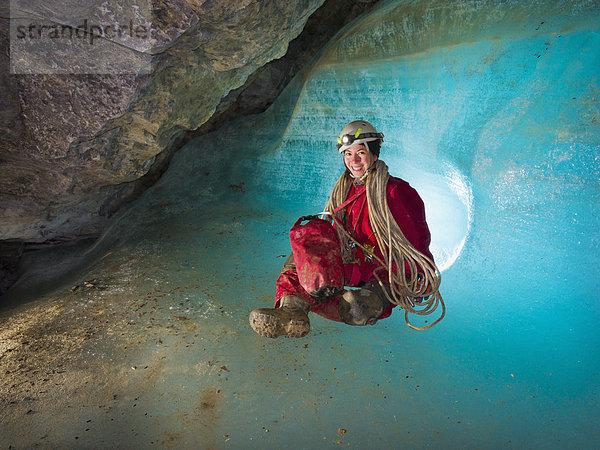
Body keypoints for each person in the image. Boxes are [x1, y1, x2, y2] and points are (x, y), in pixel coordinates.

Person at [249, 120, 438, 338]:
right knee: (304, 253)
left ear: (374, 154)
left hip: (384, 269)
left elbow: (415, 242)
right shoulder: (345, 188)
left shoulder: (396, 192)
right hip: (353, 263)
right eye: (348, 153)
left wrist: (419, 278)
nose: (354, 161)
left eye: (360, 152)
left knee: (359, 305)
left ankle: (355, 306)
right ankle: (291, 311)